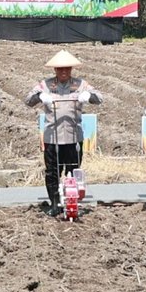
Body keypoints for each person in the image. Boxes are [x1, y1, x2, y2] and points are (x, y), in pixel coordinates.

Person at [26, 50, 103, 214]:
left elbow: (99, 98)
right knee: (52, 171)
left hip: (73, 135)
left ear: (71, 69)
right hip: (52, 135)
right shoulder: (45, 85)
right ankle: (54, 203)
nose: (63, 72)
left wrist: (88, 96)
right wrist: (40, 96)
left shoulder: (80, 84)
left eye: (67, 69)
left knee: (73, 169)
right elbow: (28, 100)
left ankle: (71, 200)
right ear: (54, 69)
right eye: (60, 69)